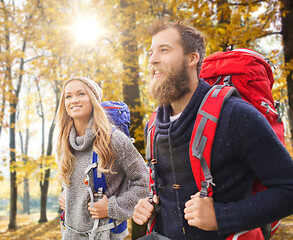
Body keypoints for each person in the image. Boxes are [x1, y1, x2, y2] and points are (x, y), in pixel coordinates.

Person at [133, 21, 293, 239]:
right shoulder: (153, 126)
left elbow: (288, 189)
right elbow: (170, 195)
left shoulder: (235, 115)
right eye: (151, 52)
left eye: (164, 50)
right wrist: (147, 204)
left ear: (192, 58)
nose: (152, 60)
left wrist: (221, 216)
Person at [57, 76, 148, 239]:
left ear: (93, 100)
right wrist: (68, 197)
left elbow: (145, 182)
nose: (74, 100)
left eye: (81, 94)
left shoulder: (114, 140)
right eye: (68, 96)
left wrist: (112, 207)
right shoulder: (65, 143)